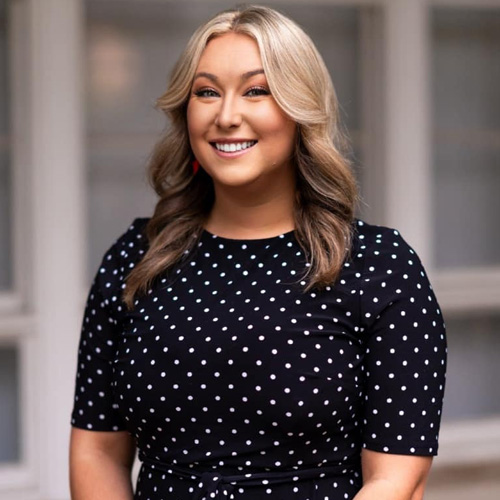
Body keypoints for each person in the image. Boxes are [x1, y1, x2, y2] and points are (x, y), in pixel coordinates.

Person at [69, 5, 447, 500]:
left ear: (301, 109)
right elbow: (96, 451)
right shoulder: (136, 258)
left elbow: (398, 480)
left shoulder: (380, 267)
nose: (227, 116)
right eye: (206, 92)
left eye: (256, 91)